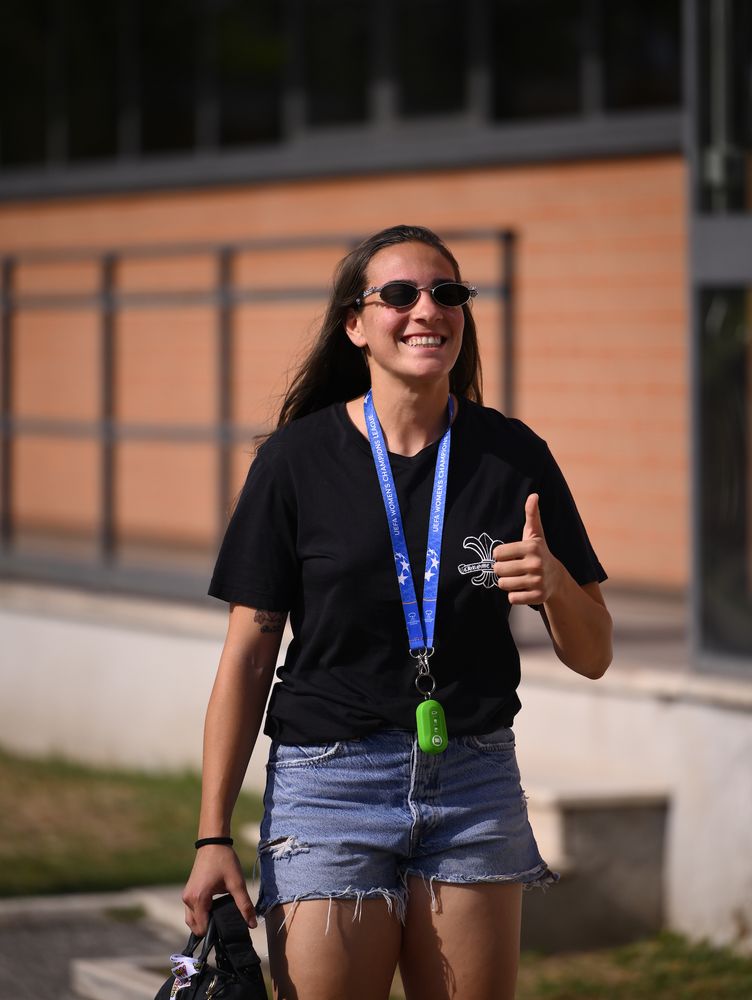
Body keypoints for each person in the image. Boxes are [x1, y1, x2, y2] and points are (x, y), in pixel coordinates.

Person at [182, 224, 612, 1000]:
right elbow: (247, 654)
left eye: (448, 294)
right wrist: (214, 832)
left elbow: (595, 652)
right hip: (330, 783)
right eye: (401, 294)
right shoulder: (294, 461)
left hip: (473, 781)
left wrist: (553, 582)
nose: (428, 310)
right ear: (355, 324)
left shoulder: (514, 456)